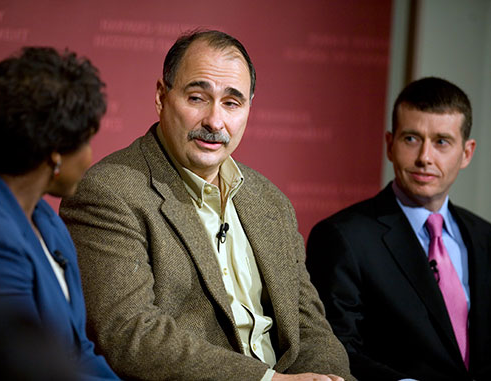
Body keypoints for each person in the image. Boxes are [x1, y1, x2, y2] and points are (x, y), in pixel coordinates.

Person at [60, 29, 353, 381]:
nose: (215, 121)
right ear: (161, 96)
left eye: (232, 103)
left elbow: (310, 327)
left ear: (248, 109)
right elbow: (130, 334)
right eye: (198, 97)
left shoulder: (271, 201)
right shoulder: (110, 192)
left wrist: (332, 378)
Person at [0, 47, 120, 380]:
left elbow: (78, 352)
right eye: (86, 140)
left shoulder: (45, 218)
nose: (90, 156)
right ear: (54, 154)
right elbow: (22, 368)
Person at [306, 77, 491, 381]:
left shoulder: (485, 238)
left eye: (441, 142)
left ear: (467, 153)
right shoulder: (343, 238)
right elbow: (334, 350)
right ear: (390, 145)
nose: (424, 158)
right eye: (411, 139)